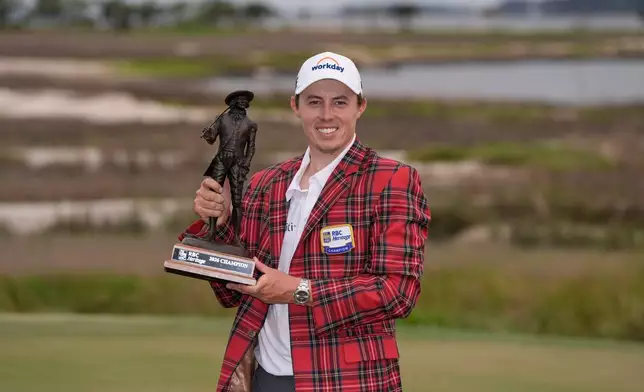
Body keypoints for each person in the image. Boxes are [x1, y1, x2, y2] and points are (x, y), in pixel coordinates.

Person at [178, 51, 431, 392]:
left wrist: (298, 290)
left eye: (340, 102)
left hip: (345, 381)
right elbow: (231, 293)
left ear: (360, 106)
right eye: (314, 102)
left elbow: (397, 292)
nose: (327, 115)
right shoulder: (268, 183)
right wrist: (221, 223)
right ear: (295, 106)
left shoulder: (392, 179)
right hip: (264, 376)